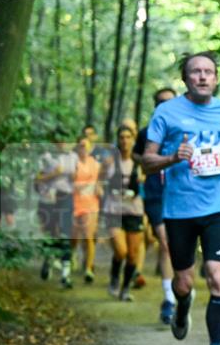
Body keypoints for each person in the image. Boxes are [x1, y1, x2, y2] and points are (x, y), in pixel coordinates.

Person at [140, 51, 220, 345]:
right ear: (185, 78)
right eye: (195, 72)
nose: (202, 77)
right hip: (180, 209)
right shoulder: (167, 112)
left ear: (216, 78)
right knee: (184, 281)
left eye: (208, 72)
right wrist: (172, 157)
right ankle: (183, 305)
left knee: (218, 278)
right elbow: (146, 160)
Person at [135, 87, 179, 323]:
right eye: (161, 102)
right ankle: (169, 298)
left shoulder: (186, 130)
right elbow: (136, 155)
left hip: (183, 194)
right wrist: (149, 164)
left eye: (171, 102)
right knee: (164, 242)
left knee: (179, 244)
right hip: (155, 194)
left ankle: (182, 287)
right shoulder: (146, 134)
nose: (166, 106)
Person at [103, 125, 145, 301]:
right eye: (122, 137)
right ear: (118, 140)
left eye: (128, 137)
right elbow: (98, 180)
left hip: (134, 211)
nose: (125, 140)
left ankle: (125, 288)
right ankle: (114, 277)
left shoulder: (139, 162)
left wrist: (142, 181)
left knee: (133, 254)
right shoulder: (110, 161)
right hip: (114, 210)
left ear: (133, 140)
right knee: (121, 251)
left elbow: (146, 182)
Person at [35, 132, 77, 288]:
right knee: (50, 233)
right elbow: (37, 179)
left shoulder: (72, 157)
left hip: (65, 197)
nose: (62, 143)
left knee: (65, 233)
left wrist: (74, 176)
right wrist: (54, 173)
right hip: (48, 198)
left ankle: (66, 275)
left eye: (65, 139)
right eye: (58, 140)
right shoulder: (45, 157)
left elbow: (75, 178)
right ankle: (48, 259)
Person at [72, 134, 102, 284]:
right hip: (74, 203)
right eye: (81, 145)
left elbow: (99, 183)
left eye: (86, 146)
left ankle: (89, 269)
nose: (83, 148)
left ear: (91, 148)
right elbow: (69, 183)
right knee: (74, 237)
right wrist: (82, 186)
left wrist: (99, 189)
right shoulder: (73, 163)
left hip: (91, 204)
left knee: (89, 236)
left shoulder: (96, 164)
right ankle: (72, 256)